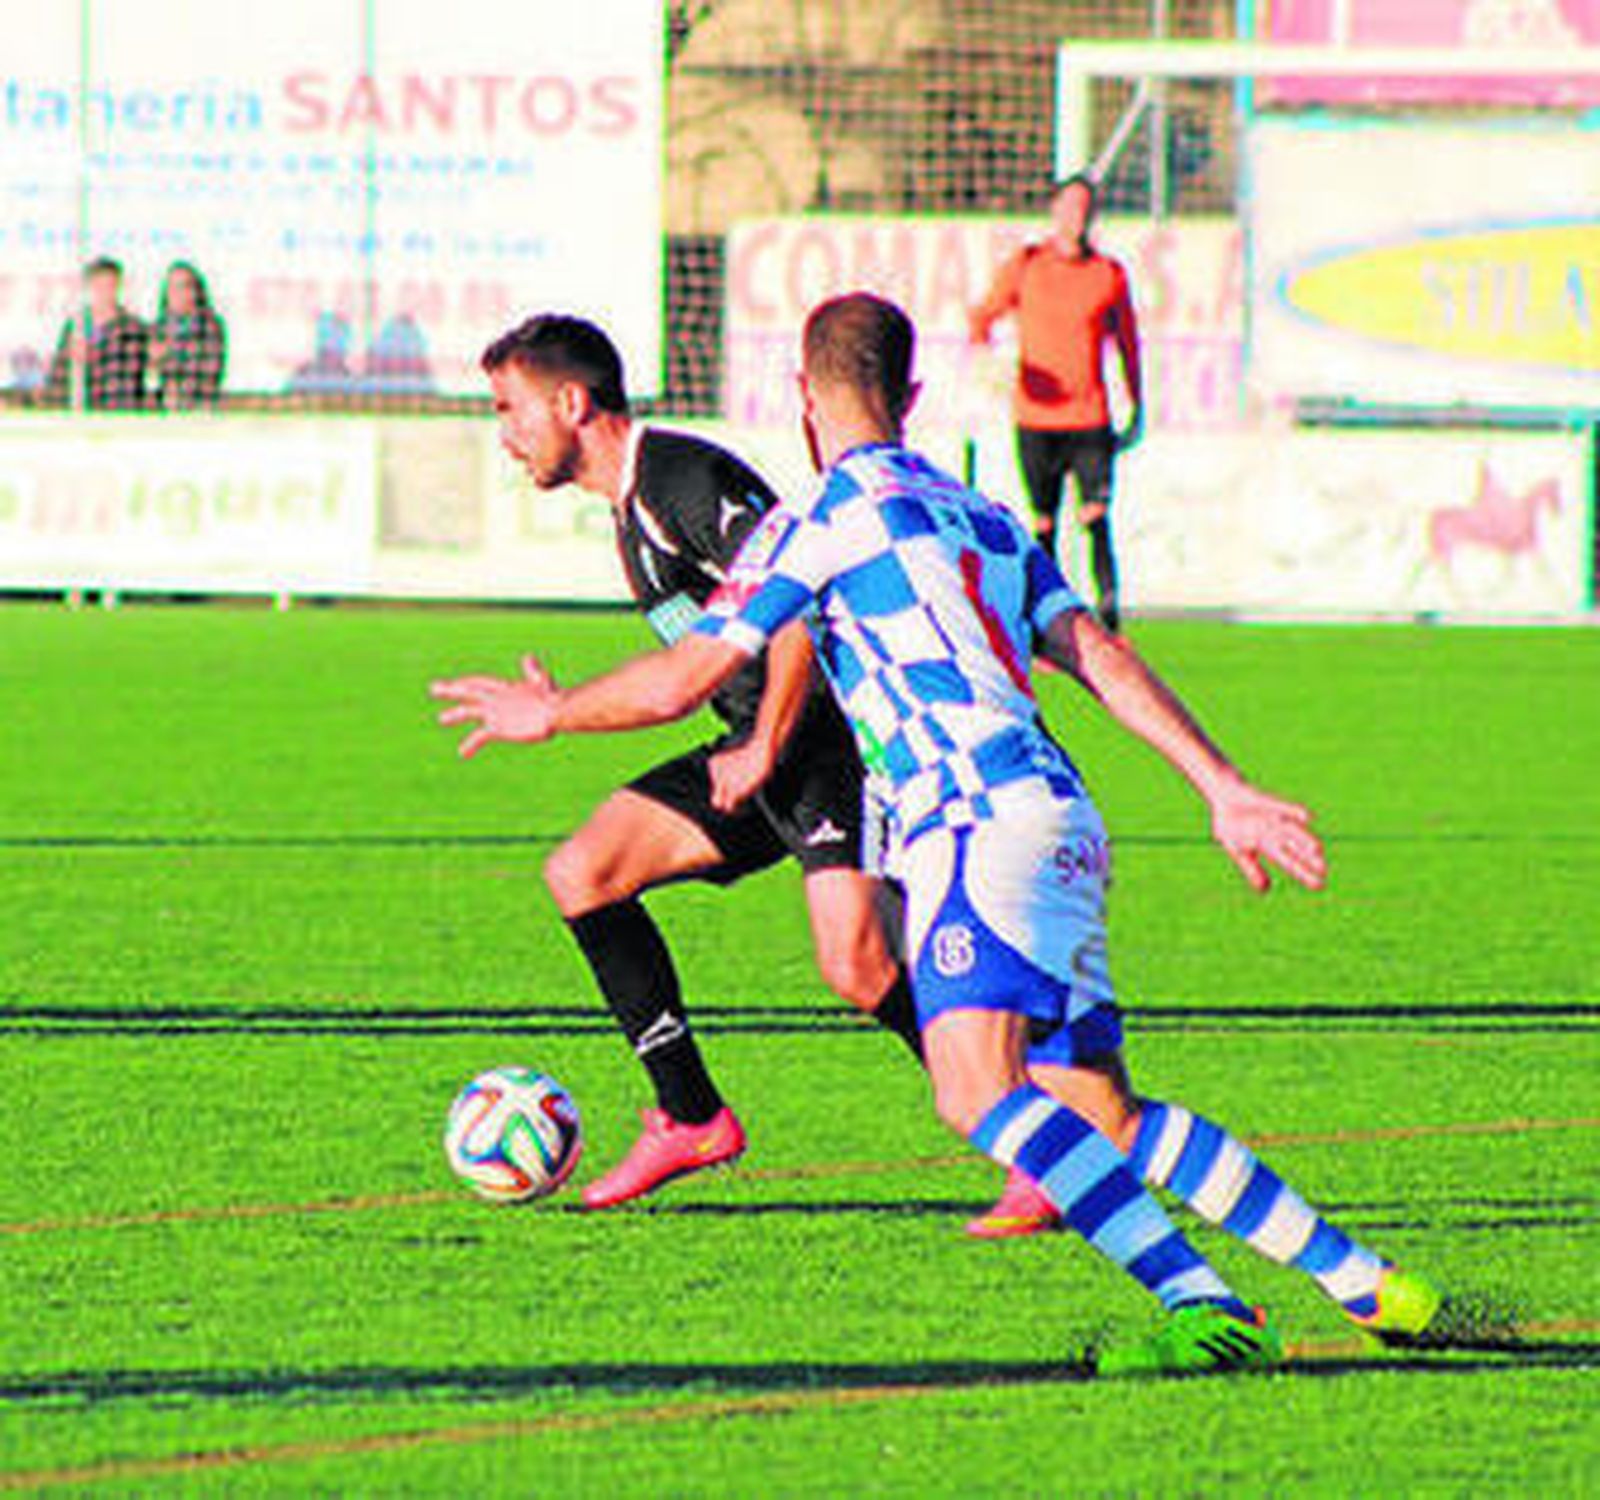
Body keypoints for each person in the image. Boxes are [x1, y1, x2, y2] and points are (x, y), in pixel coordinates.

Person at [435, 293, 1445, 1377]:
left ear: (802, 399)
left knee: (973, 1090)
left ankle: (1209, 1309)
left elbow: (690, 677)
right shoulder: (986, 516)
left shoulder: (814, 520)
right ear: (910, 397)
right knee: (1103, 1114)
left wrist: (554, 711)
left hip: (968, 824)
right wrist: (1220, 785)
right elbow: (1093, 652)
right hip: (1064, 820)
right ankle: (1365, 1282)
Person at [472, 314, 923, 1210]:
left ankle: (1035, 1130)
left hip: (827, 743)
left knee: (861, 969)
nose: (505, 434)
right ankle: (689, 1117)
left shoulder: (684, 477)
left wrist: (761, 742)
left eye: (511, 408)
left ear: (572, 401)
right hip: (757, 754)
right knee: (584, 871)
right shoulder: (630, 508)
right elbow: (696, 662)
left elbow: (795, 609)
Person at [969, 174, 1140, 632]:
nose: (1078, 216)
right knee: (1043, 524)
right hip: (1035, 416)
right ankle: (1046, 629)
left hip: (1090, 417)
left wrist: (1136, 403)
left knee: (1096, 516)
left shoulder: (1108, 274)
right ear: (1055, 212)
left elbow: (1128, 343)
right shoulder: (1027, 266)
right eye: (1070, 206)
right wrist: (987, 360)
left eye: (1086, 207)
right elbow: (981, 316)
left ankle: (1110, 623)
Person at [43, 257, 149, 410]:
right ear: (90, 286)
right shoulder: (76, 326)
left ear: (119, 286)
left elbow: (147, 375)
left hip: (123, 412)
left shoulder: (134, 328)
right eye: (99, 285)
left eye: (110, 285)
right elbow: (58, 376)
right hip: (84, 412)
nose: (105, 292)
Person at [150, 261, 227, 408]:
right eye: (171, 287)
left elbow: (209, 374)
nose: (175, 294)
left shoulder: (209, 327)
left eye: (182, 287)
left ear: (194, 292)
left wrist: (170, 353)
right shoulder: (159, 327)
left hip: (199, 408)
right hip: (163, 409)